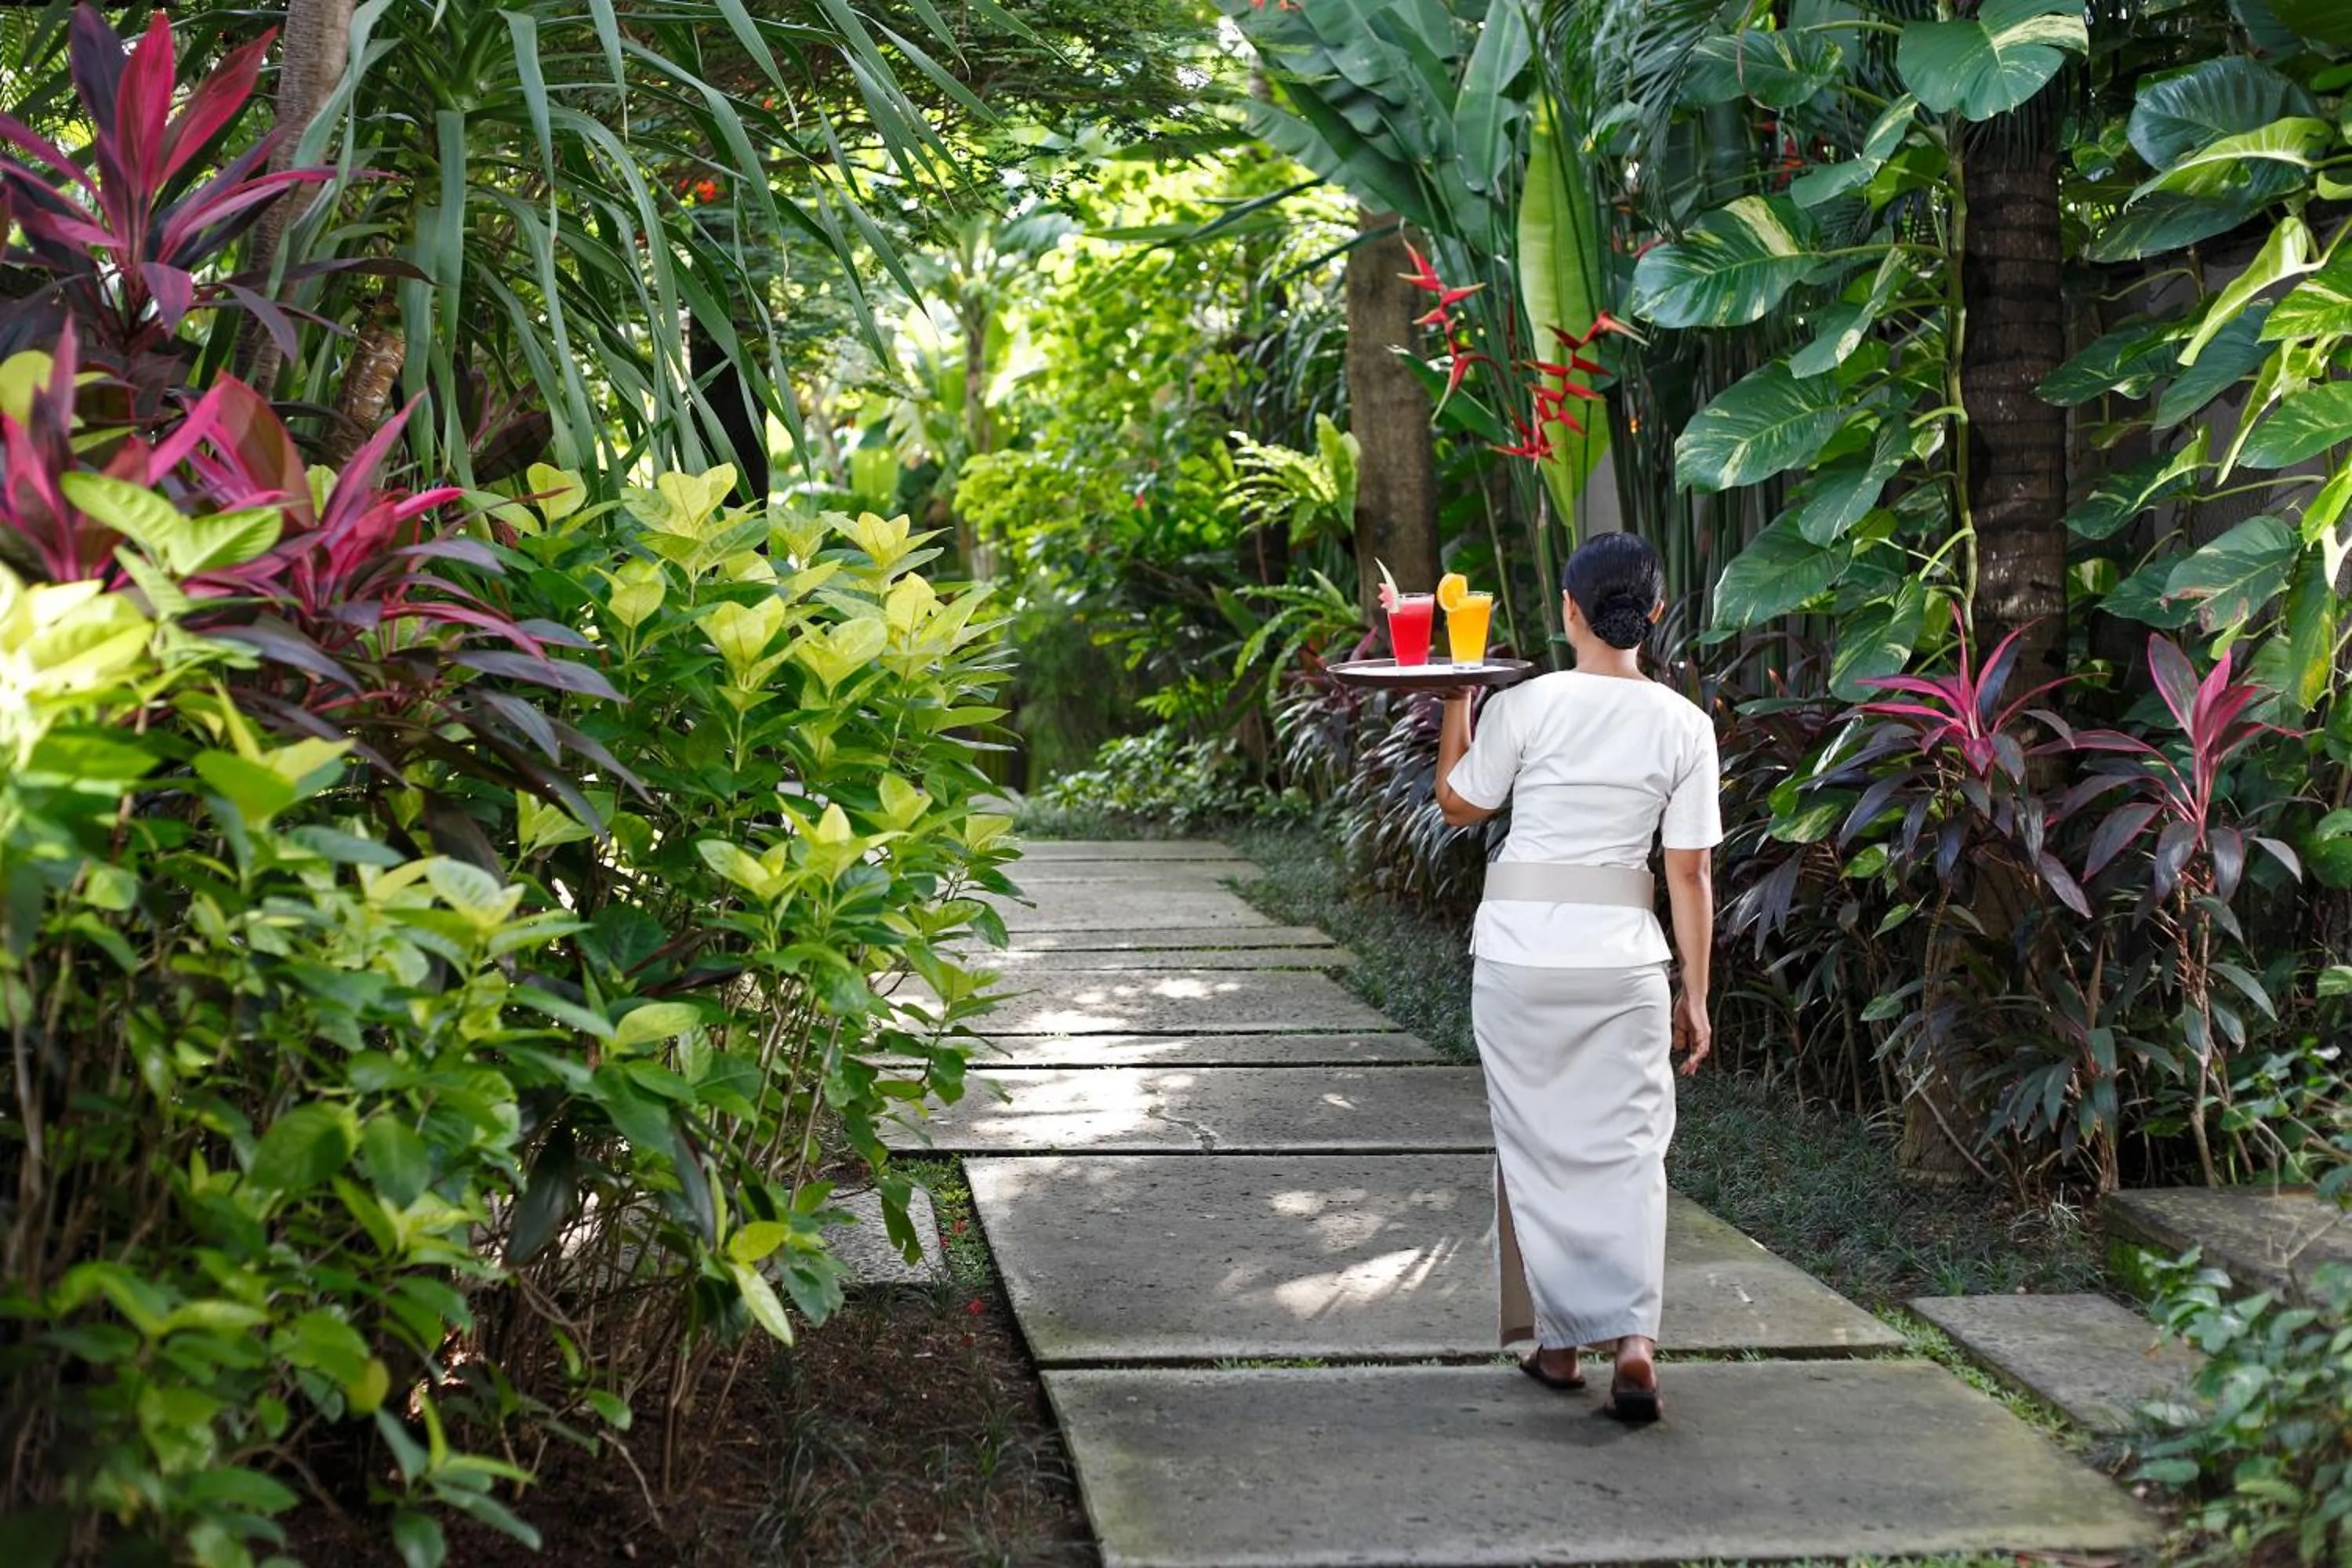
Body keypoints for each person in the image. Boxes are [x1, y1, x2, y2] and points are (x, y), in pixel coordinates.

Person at [1432, 532, 1720, 1425]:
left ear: (1568, 610)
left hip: (1519, 956)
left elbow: (1458, 801)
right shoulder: (1685, 723)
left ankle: (1557, 1348)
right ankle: (1633, 1340)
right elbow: (1689, 874)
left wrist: (1457, 699)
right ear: (1656, 613)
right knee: (1630, 1151)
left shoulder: (1527, 703)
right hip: (1623, 961)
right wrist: (1696, 993)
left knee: (1534, 1148)